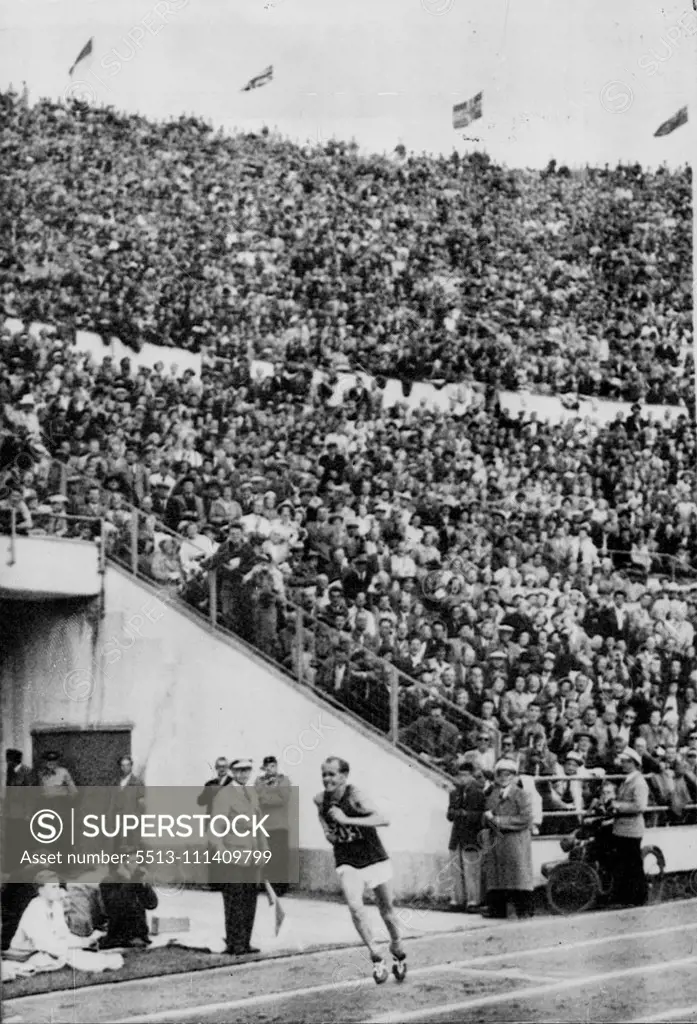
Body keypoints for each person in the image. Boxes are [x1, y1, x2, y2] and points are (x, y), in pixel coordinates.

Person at [314, 756, 407, 984]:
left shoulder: (356, 796)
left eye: (332, 774)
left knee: (387, 910)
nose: (327, 779)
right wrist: (329, 832)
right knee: (355, 907)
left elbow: (383, 819)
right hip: (348, 859)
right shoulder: (319, 799)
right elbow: (324, 822)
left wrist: (347, 820)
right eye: (324, 774)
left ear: (344, 776)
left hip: (373, 856)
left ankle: (397, 947)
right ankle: (375, 954)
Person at [8, 871, 120, 972]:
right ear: (41, 891)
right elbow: (41, 943)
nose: (58, 891)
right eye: (53, 887)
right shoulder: (34, 908)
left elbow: (63, 935)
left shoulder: (56, 906)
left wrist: (84, 941)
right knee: (67, 956)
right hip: (25, 953)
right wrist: (75, 945)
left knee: (76, 955)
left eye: (58, 887)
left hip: (49, 949)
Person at [212, 758, 268, 957]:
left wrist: (263, 850)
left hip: (251, 854)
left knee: (249, 899)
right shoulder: (225, 794)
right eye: (240, 771)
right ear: (232, 772)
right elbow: (216, 826)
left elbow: (259, 823)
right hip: (233, 854)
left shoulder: (251, 792)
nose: (244, 775)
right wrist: (221, 851)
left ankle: (245, 941)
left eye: (247, 771)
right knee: (234, 901)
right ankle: (234, 943)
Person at [482, 758, 535, 920]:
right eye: (501, 774)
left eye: (508, 774)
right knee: (497, 876)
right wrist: (488, 819)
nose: (504, 777)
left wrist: (499, 821)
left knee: (518, 875)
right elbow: (486, 814)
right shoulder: (492, 794)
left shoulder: (522, 794)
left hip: (516, 840)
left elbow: (525, 818)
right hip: (497, 841)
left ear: (514, 776)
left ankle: (524, 910)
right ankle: (497, 909)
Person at [611, 747, 649, 907]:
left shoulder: (638, 782)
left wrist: (618, 806)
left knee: (633, 865)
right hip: (623, 829)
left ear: (633, 763)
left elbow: (640, 806)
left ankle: (638, 897)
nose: (622, 765)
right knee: (625, 864)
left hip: (631, 830)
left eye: (625, 762)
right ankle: (627, 896)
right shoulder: (628, 780)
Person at [446, 760, 486, 912]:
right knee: (456, 870)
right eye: (460, 775)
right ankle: (457, 899)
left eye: (465, 775)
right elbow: (449, 814)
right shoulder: (454, 793)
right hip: (456, 836)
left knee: (471, 871)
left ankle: (473, 900)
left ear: (472, 776)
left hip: (471, 836)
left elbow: (480, 816)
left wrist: (465, 814)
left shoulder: (478, 793)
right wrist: (457, 813)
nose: (462, 778)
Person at [254, 755, 292, 896]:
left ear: (276, 766)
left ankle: (280, 887)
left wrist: (266, 796)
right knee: (265, 857)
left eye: (273, 766)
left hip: (279, 824)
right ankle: (265, 885)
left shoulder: (284, 780)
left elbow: (283, 799)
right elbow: (257, 797)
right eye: (267, 767)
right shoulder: (259, 780)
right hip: (264, 824)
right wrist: (271, 795)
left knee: (279, 857)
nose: (270, 769)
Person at [98, 863, 158, 949]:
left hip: (139, 937)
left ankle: (138, 937)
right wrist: (130, 881)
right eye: (132, 861)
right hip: (118, 937)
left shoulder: (136, 880)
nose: (136, 865)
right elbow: (118, 905)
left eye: (137, 861)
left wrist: (145, 886)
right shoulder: (109, 881)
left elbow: (152, 904)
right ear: (122, 864)